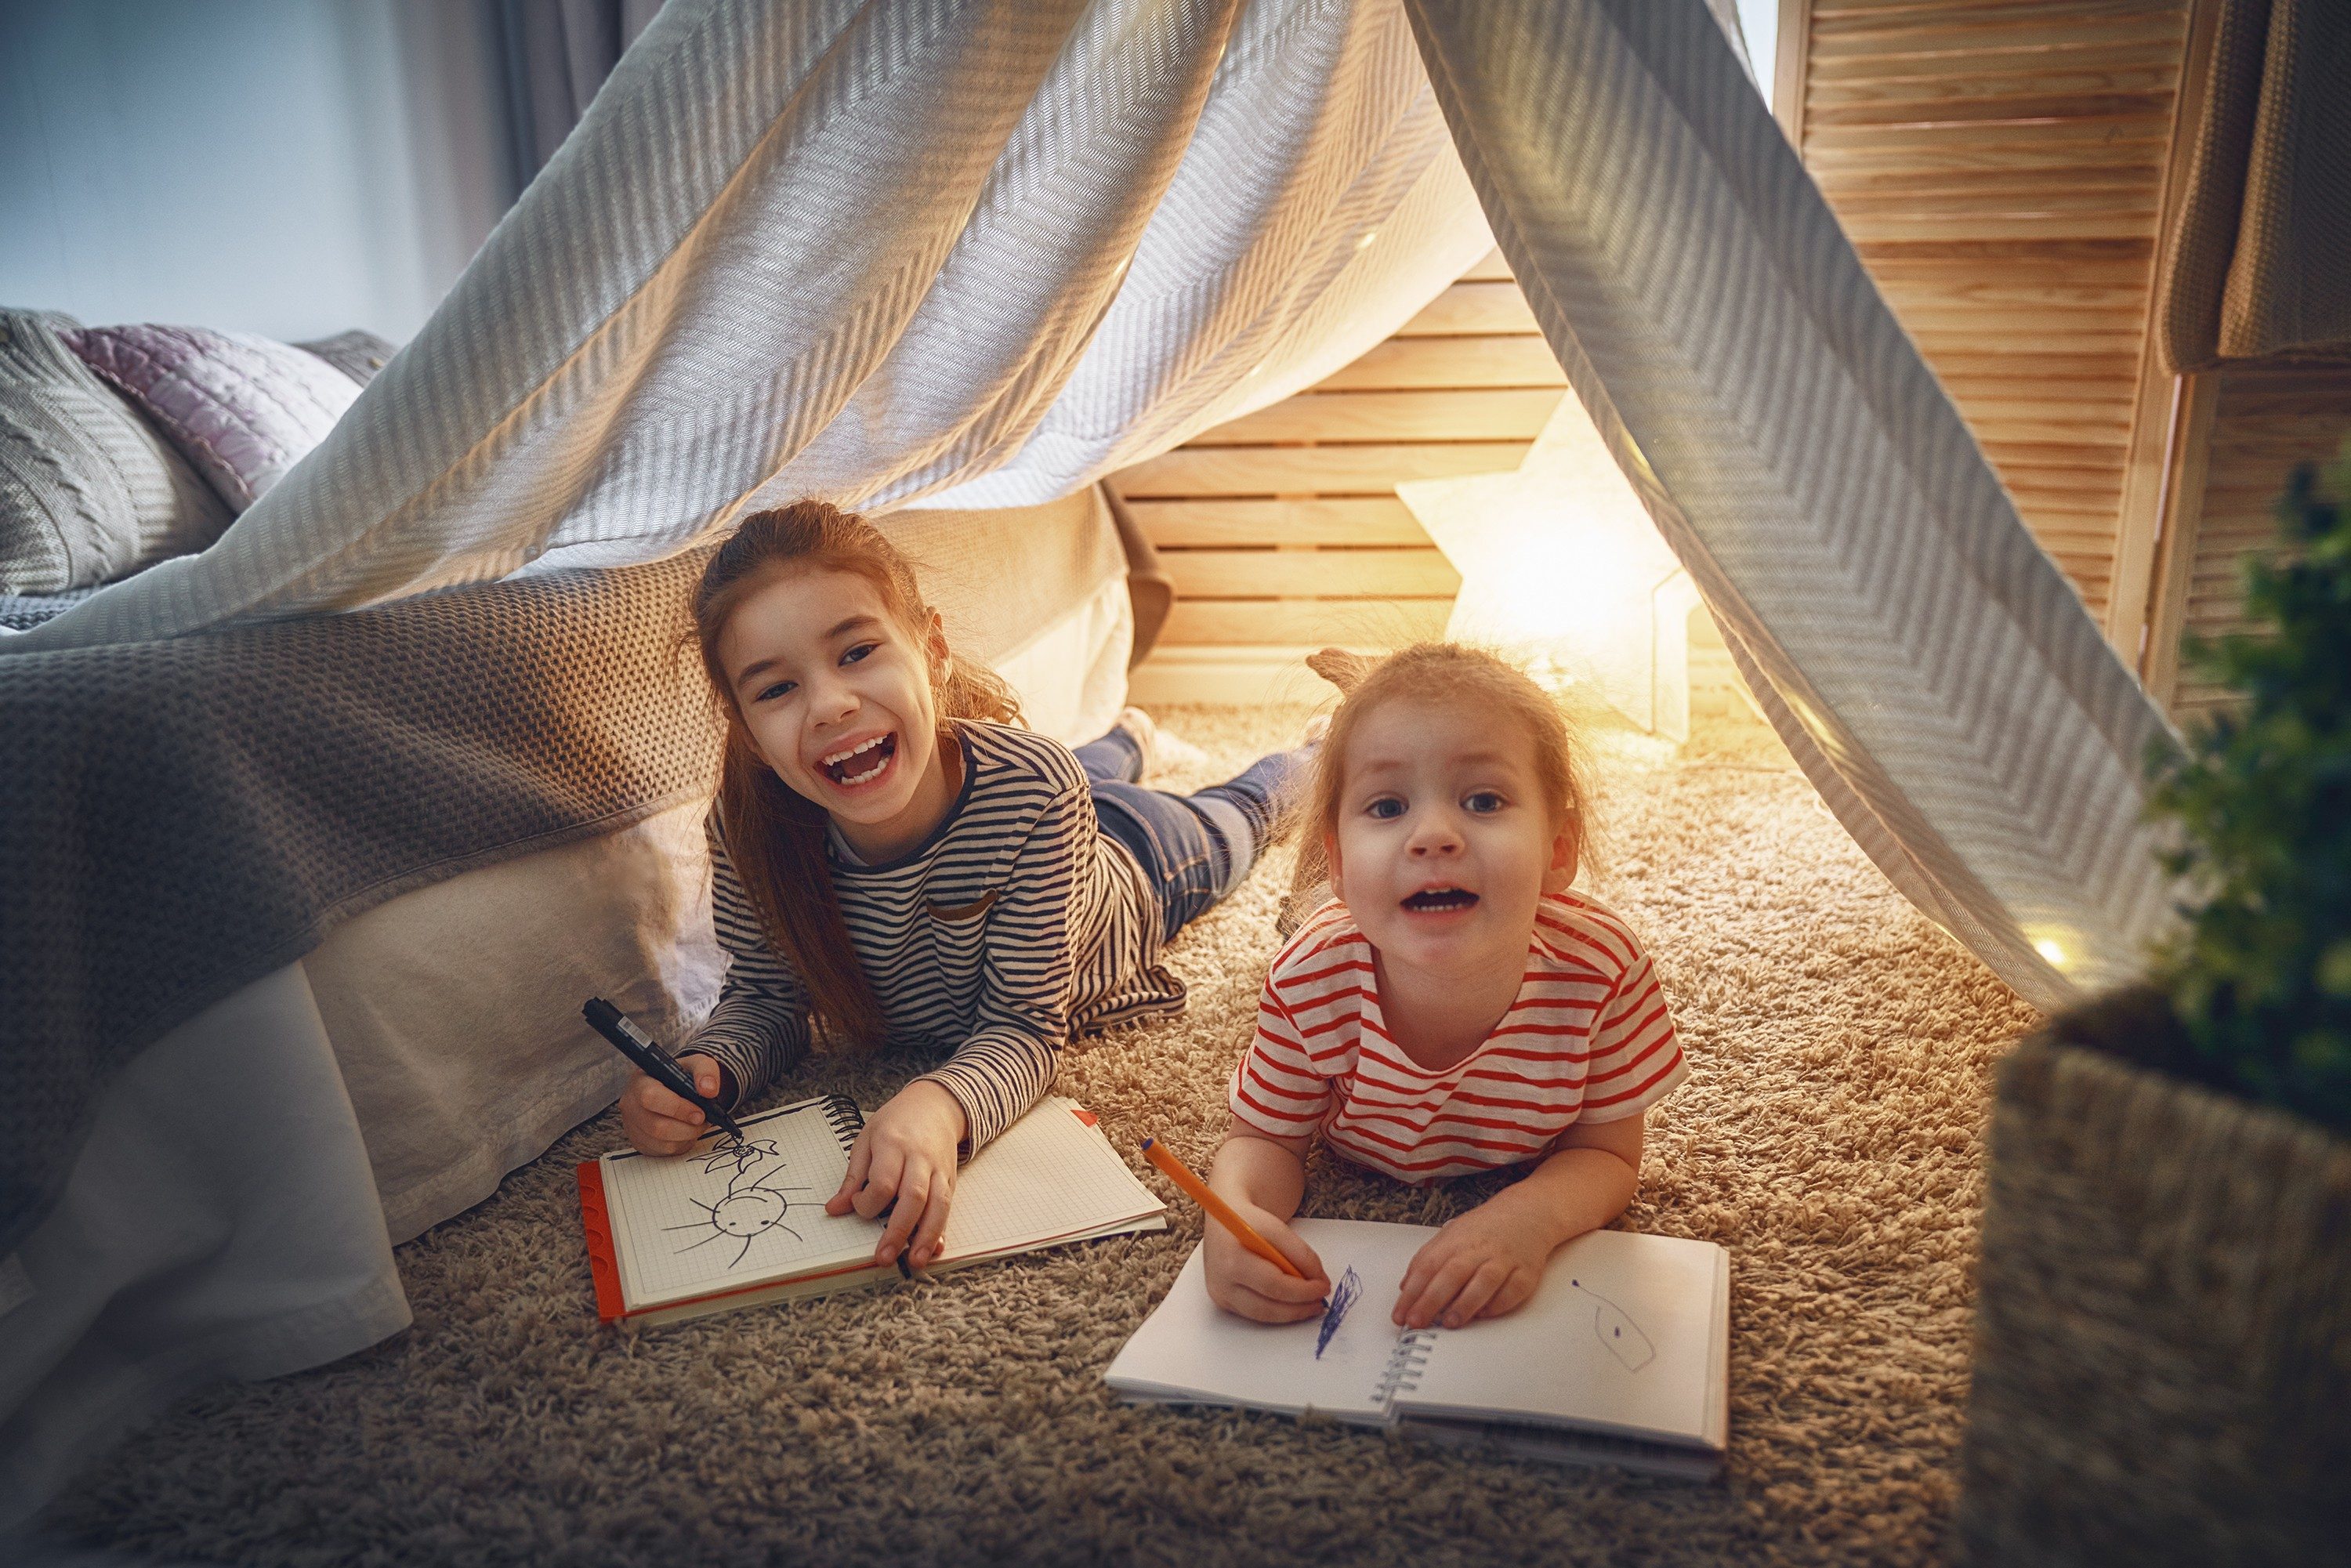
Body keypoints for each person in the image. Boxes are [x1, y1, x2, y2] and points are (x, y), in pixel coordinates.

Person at [617, 499, 1309, 1273]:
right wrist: (710, 1069)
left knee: (1238, 814)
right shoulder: (750, 828)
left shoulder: (1034, 791)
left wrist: (940, 1104)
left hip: (1131, 870)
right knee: (1075, 770)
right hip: (1038, 799)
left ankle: (1292, 757)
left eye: (856, 653)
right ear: (745, 729)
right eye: (776, 690)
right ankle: (1127, 739)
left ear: (933, 649)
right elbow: (770, 999)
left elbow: (1023, 1026)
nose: (831, 704)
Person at [1203, 644, 1686, 1332]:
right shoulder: (1311, 975)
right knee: (1295, 920)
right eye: (1388, 804)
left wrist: (1526, 1220)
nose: (1433, 835)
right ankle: (1334, 730)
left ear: (1559, 848)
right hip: (1332, 934)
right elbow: (1267, 1141)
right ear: (1336, 863)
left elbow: (1607, 1154)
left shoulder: (1603, 968)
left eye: (1483, 799)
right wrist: (1233, 1215)